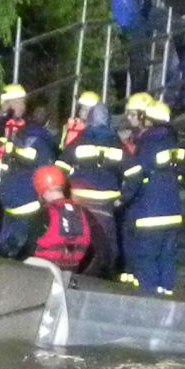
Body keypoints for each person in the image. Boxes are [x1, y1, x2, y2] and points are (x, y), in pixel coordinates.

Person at [115, 92, 185, 295]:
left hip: (149, 214)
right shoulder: (172, 142)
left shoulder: (148, 144)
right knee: (167, 259)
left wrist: (122, 198)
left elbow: (136, 176)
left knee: (146, 259)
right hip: (173, 212)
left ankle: (150, 302)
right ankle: (166, 299)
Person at [64, 91, 128, 275]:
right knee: (107, 237)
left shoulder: (81, 138)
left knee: (82, 233)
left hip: (80, 196)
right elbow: (133, 171)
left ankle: (80, 268)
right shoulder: (116, 141)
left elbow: (61, 164)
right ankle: (106, 272)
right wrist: (124, 196)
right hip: (107, 201)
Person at [0, 104, 56, 257]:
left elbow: (6, 159)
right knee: (22, 240)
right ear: (47, 123)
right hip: (28, 197)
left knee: (5, 232)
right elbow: (46, 174)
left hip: (7, 189)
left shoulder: (17, 135)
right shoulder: (45, 143)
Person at [22, 164, 94, 274]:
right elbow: (93, 249)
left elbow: (28, 246)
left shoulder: (44, 214)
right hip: (72, 270)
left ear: (41, 189)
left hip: (43, 271)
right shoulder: (84, 212)